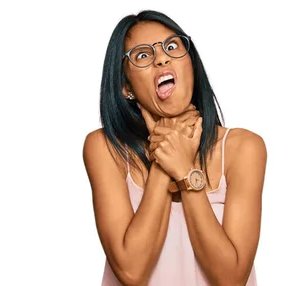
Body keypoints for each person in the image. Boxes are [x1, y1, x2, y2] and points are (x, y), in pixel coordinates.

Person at [82, 10, 267, 286]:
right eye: (143, 55)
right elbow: (132, 272)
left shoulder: (244, 149)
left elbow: (231, 278)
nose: (161, 58)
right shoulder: (105, 149)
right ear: (126, 87)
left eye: (171, 46)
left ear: (190, 64)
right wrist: (163, 157)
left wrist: (185, 170)